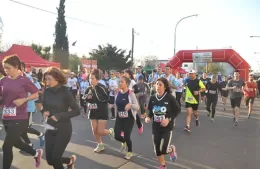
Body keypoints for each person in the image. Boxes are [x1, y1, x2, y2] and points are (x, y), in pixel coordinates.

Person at [0, 55, 43, 169]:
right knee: (16, 143)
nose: (6, 70)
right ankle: (36, 153)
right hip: (6, 116)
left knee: (6, 146)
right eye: (4, 68)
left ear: (16, 67)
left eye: (8, 68)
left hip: (19, 117)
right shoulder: (3, 80)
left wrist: (24, 99)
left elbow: (36, 93)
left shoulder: (24, 80)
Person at [42, 67, 80, 169]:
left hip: (63, 128)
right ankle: (69, 161)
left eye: (49, 79)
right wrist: (44, 112)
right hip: (49, 127)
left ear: (57, 78)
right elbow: (44, 107)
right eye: (46, 79)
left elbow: (77, 110)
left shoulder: (65, 92)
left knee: (55, 158)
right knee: (50, 160)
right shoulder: (47, 91)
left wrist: (59, 116)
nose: (47, 82)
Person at [145, 77, 180, 169]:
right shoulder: (152, 98)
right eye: (156, 84)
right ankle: (163, 165)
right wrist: (148, 117)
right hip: (155, 128)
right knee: (157, 150)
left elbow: (177, 109)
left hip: (166, 128)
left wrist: (168, 119)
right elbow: (150, 110)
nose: (158, 86)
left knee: (163, 149)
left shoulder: (169, 97)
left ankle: (171, 149)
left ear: (165, 87)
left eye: (160, 85)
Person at [83, 69, 114, 153]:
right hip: (92, 111)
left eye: (92, 78)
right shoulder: (88, 88)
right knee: (94, 130)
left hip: (102, 111)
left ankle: (110, 131)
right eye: (89, 78)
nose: (90, 80)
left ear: (97, 79)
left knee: (100, 131)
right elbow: (84, 99)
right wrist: (87, 99)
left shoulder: (101, 87)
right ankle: (100, 144)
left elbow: (106, 98)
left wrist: (95, 92)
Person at [113, 76, 139, 159]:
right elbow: (116, 104)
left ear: (127, 84)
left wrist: (130, 105)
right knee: (116, 135)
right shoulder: (117, 93)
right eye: (119, 82)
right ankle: (123, 142)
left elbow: (137, 107)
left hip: (129, 118)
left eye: (122, 82)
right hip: (120, 117)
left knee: (127, 136)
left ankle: (129, 151)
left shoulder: (131, 94)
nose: (120, 83)